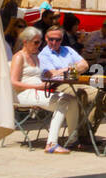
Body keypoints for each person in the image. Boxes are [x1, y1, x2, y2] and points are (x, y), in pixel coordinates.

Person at [10, 25, 79, 153]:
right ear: (26, 42)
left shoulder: (36, 57)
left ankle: (73, 138)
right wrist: (38, 86)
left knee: (72, 99)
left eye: (40, 42)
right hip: (22, 94)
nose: (39, 45)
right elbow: (14, 83)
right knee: (63, 101)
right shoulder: (19, 57)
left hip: (39, 91)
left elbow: (42, 75)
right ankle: (51, 143)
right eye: (36, 42)